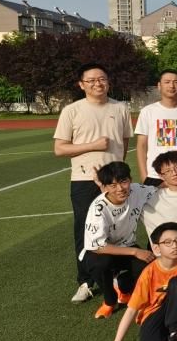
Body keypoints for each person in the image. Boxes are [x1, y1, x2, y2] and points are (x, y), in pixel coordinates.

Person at [54, 62, 132, 303]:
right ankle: (85, 281)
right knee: (84, 230)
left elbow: (124, 142)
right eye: (91, 80)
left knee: (117, 227)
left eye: (102, 79)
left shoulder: (120, 108)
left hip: (114, 181)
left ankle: (116, 276)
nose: (98, 83)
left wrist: (115, 171)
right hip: (84, 180)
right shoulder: (72, 111)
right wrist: (93, 146)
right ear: (81, 85)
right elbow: (59, 148)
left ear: (108, 81)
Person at [80, 161, 156, 319]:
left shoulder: (137, 190)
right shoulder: (98, 208)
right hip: (101, 252)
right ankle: (109, 301)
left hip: (127, 247)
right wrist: (135, 251)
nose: (120, 188)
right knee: (100, 264)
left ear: (130, 180)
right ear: (105, 187)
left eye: (123, 181)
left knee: (150, 266)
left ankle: (123, 287)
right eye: (113, 185)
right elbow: (97, 246)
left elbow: (158, 189)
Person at [134, 69, 177, 186]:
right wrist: (144, 176)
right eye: (167, 82)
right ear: (159, 86)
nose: (172, 86)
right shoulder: (147, 111)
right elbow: (141, 145)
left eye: (176, 82)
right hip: (155, 176)